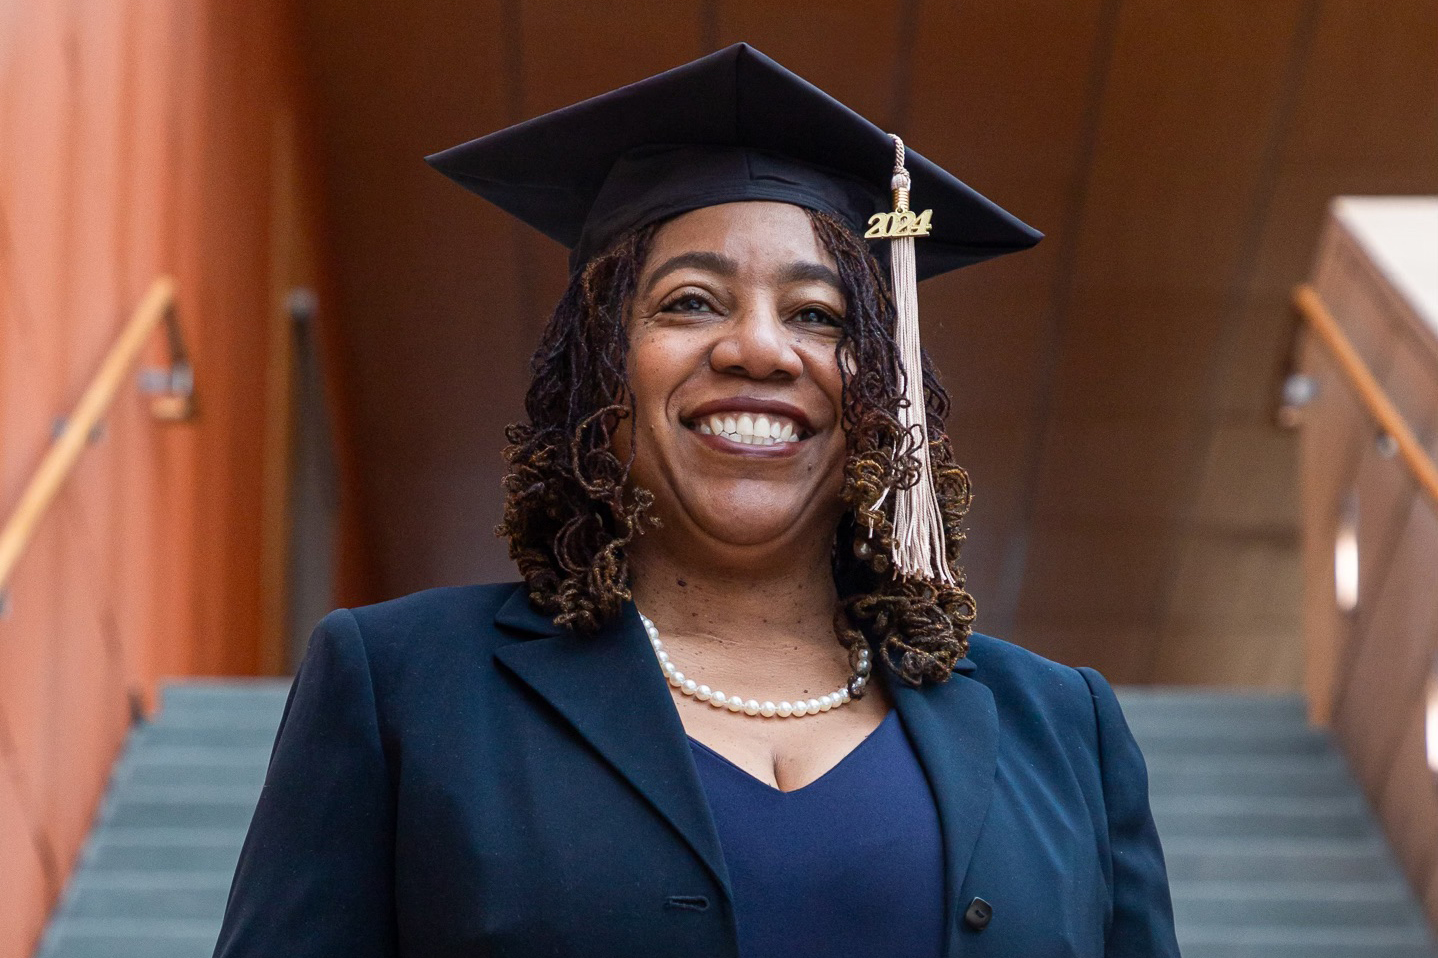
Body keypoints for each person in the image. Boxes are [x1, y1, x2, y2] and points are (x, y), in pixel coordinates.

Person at [213, 43, 1179, 958]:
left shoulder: (1060, 729)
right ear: (600, 368)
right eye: (690, 302)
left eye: (818, 315)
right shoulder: (407, 689)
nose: (759, 349)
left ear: (882, 390)